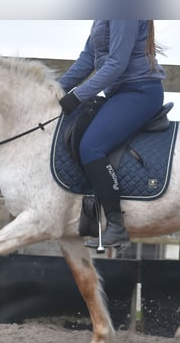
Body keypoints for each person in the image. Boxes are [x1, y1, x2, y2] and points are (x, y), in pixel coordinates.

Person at [58, 20, 166, 248]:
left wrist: (79, 96)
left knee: (91, 147)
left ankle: (116, 227)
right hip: (119, 92)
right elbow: (88, 58)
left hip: (139, 90)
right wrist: (56, 90)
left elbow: (117, 63)